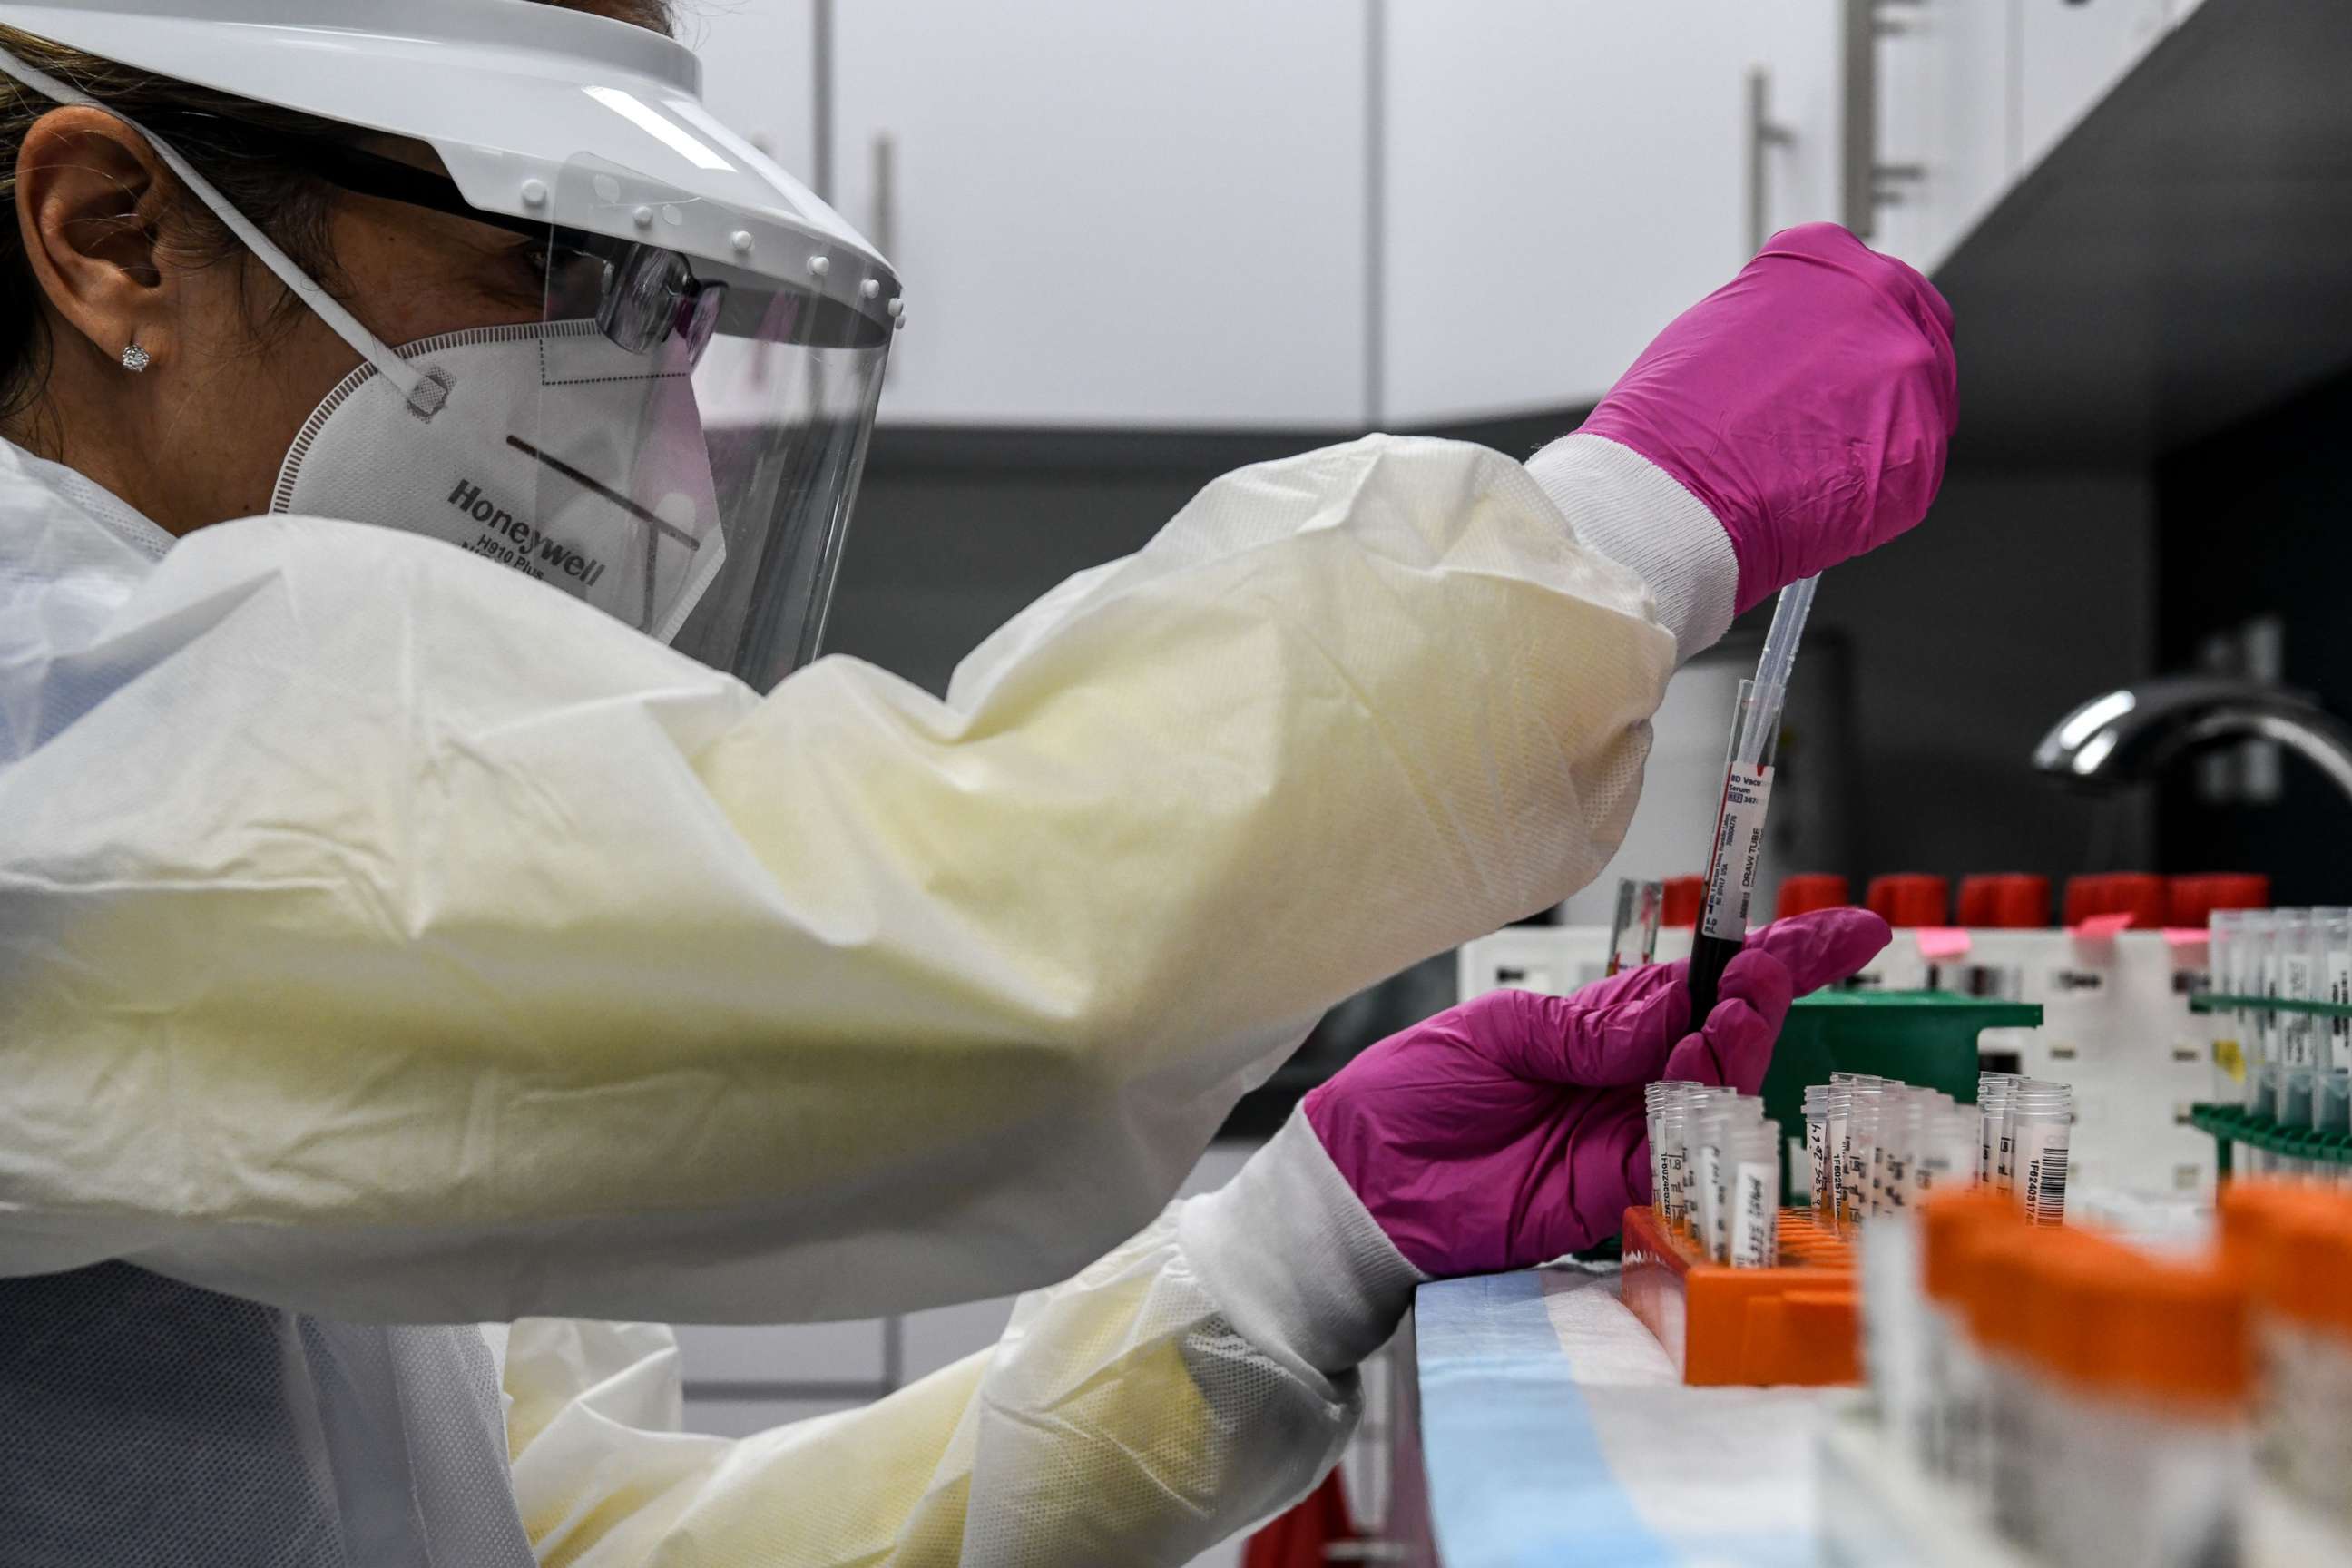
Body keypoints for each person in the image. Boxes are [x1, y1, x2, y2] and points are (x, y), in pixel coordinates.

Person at [0, 0, 1953, 1563]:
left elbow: (576, 1548)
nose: (654, 437)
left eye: (670, 312)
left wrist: (1296, 1255)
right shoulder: (48, 712)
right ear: (113, 236)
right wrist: (1625, 524)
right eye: (557, 266)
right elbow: (975, 938)